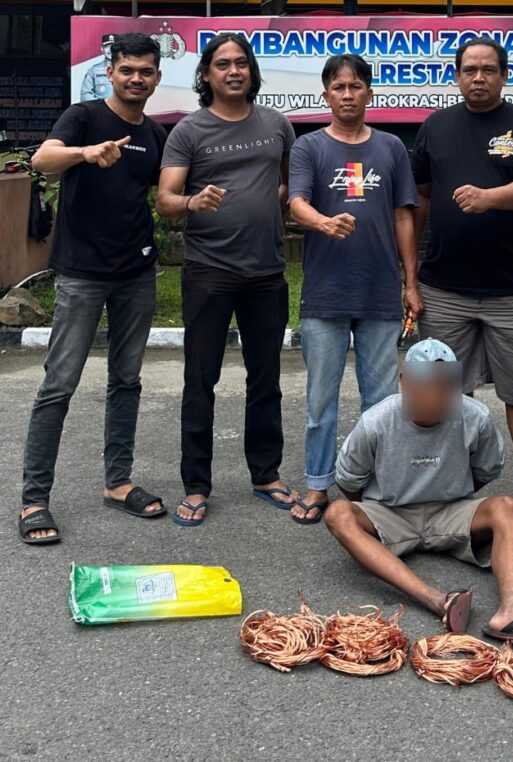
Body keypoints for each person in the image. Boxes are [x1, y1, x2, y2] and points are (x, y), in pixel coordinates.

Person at [18, 33, 168, 545]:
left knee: (126, 381)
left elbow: (165, 194)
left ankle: (117, 482)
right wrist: (86, 153)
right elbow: (42, 161)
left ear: (157, 78)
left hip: (136, 273)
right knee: (58, 384)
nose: (136, 79)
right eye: (127, 69)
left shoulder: (156, 132)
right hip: (81, 273)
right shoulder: (82, 117)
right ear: (111, 71)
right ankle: (34, 499)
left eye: (145, 71)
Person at [325, 339, 513, 648]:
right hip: (391, 513)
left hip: (451, 510)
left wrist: (456, 498)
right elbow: (349, 481)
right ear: (403, 381)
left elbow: (486, 470)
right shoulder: (376, 421)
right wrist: (376, 518)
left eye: (443, 386)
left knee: (505, 505)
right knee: (338, 514)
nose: (433, 396)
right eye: (424, 384)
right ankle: (437, 600)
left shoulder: (475, 416)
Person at [411, 37, 513, 530]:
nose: (478, 77)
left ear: (503, 75)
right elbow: (420, 201)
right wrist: (408, 274)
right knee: (444, 391)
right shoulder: (435, 126)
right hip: (444, 288)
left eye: (488, 69)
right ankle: (449, 481)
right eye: (469, 69)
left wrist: (489, 197)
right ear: (456, 76)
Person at [156, 33, 297, 527]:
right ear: (207, 74)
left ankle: (266, 474)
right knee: (201, 381)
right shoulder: (189, 131)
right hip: (209, 272)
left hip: (266, 272)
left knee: (267, 380)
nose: (233, 71)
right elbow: (166, 198)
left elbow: (287, 181)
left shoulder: (277, 125)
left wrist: (266, 203)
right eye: (222, 64)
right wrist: (193, 202)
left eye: (241, 63)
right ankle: (196, 485)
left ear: (251, 71)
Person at [287, 54, 421, 525]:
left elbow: (405, 213)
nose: (347, 94)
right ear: (325, 95)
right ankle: (319, 482)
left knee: (381, 401)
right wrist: (323, 222)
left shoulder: (390, 148)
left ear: (370, 93)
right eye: (338, 87)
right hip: (325, 294)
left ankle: (374, 484)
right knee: (320, 402)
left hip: (380, 291)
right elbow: (296, 201)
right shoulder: (309, 148)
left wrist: (411, 281)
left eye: (356, 86)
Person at [81, 35, 116, 102]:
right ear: (102, 49)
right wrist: (100, 108)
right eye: (107, 47)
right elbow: (85, 94)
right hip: (100, 111)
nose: (110, 50)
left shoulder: (127, 69)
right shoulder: (94, 70)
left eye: (113, 47)